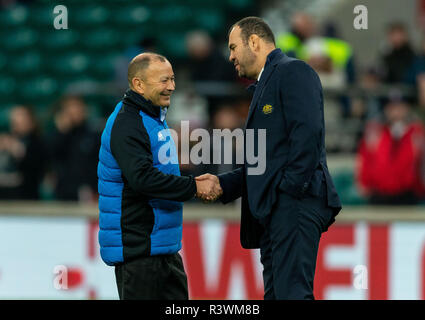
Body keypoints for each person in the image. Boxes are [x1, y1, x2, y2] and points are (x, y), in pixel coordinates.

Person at [196, 17, 342, 300]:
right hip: (275, 211)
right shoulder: (267, 84)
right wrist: (223, 183)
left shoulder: (293, 71)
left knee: (292, 295)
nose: (230, 56)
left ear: (254, 42)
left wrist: (288, 191)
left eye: (233, 47)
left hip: (292, 206)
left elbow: (308, 134)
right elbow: (261, 163)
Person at [97, 52, 221, 300]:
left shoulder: (151, 118)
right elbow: (142, 179)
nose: (171, 87)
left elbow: (155, 172)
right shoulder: (128, 123)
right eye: (163, 80)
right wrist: (194, 187)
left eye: (173, 79)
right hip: (140, 253)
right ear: (138, 84)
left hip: (162, 249)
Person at [356, 90, 425, 204]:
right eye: (392, 108)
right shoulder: (375, 133)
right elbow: (364, 159)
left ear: (407, 108)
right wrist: (363, 183)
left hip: (408, 196)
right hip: (379, 194)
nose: (396, 112)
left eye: (400, 107)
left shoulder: (417, 134)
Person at [47, 96, 100, 202]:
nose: (74, 112)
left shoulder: (93, 135)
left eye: (77, 107)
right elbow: (50, 156)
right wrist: (62, 132)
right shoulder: (57, 135)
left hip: (87, 191)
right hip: (63, 191)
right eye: (70, 108)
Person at [0, 105, 46, 199]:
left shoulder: (38, 143)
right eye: (14, 117)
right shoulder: (7, 139)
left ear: (30, 121)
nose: (16, 121)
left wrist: (18, 151)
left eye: (20, 116)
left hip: (25, 198)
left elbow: (36, 170)